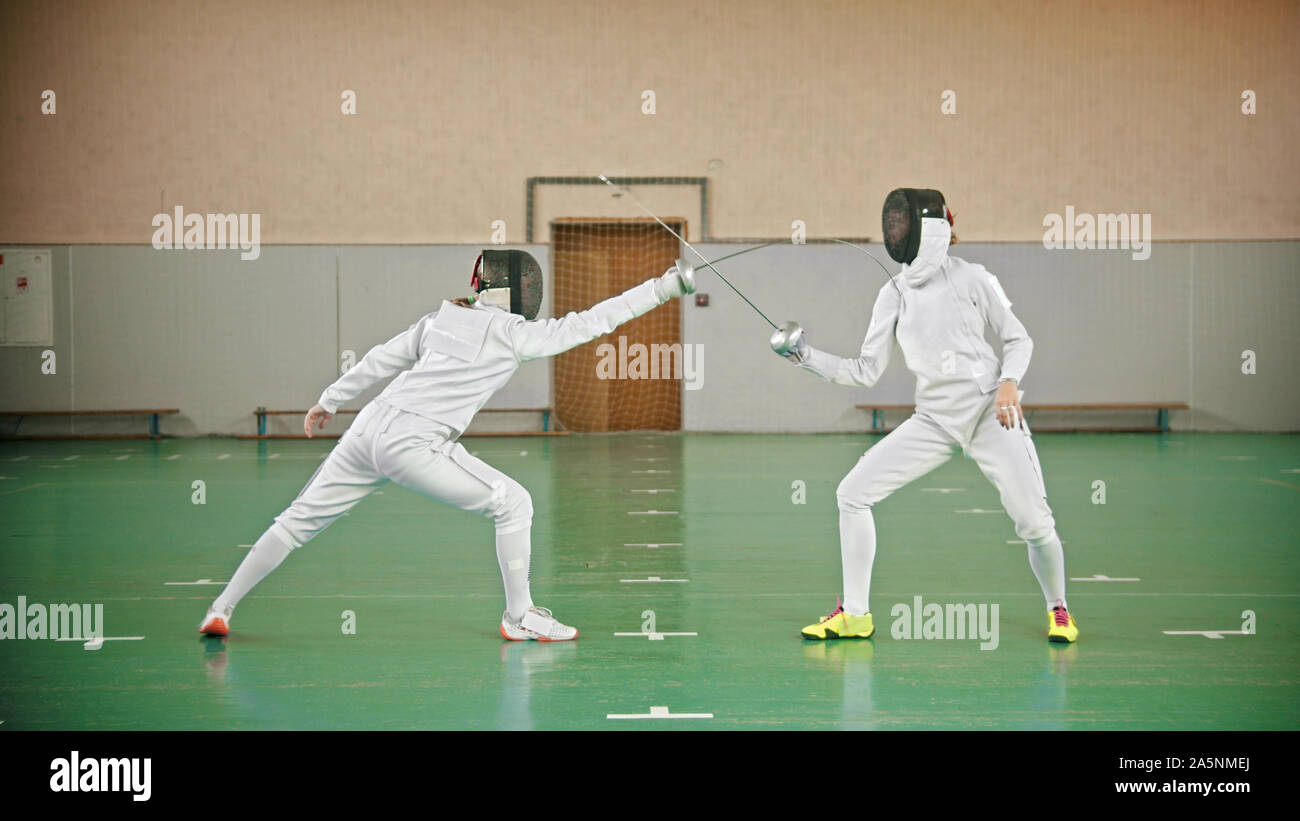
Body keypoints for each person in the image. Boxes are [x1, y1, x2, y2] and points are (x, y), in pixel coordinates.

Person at [199, 249, 695, 642]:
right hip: (413, 443)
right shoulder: (513, 334)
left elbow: (378, 359)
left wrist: (329, 400)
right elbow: (591, 322)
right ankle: (519, 616)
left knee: (295, 522)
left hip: (368, 430)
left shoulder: (439, 319)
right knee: (514, 503)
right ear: (520, 288)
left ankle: (220, 608)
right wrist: (665, 286)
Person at [774, 189, 1077, 643]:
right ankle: (855, 615)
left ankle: (1059, 610)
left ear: (930, 230)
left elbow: (1018, 339)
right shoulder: (892, 293)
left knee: (1034, 521)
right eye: (892, 225)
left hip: (989, 413)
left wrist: (1010, 382)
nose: (896, 233)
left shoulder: (974, 278)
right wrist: (807, 355)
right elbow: (865, 370)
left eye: (902, 225)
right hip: (933, 420)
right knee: (852, 493)